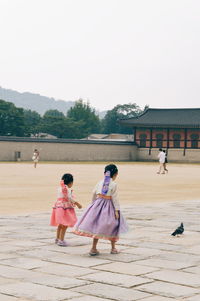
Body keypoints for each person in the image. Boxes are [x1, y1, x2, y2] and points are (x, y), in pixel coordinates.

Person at [73, 164, 128, 255]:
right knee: (114, 226)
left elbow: (94, 193)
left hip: (98, 205)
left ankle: (93, 248)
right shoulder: (114, 184)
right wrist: (116, 210)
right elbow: (115, 198)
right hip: (109, 207)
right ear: (116, 174)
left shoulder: (100, 182)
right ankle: (113, 248)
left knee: (97, 227)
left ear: (105, 173)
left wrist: (93, 204)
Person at [50, 173, 82, 246]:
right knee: (65, 224)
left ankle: (57, 238)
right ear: (71, 182)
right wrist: (77, 204)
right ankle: (61, 240)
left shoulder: (59, 188)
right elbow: (69, 198)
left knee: (60, 224)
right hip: (65, 208)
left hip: (58, 207)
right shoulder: (67, 189)